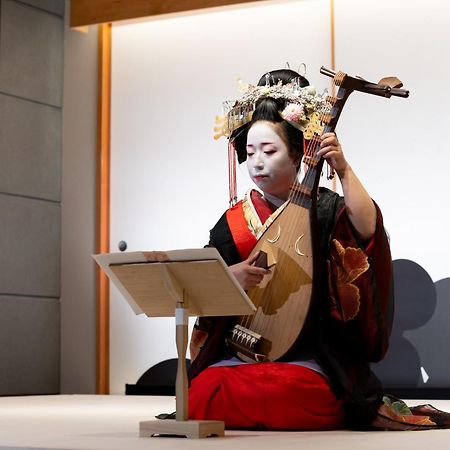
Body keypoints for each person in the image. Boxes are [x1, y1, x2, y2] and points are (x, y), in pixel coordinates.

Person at [187, 68, 395, 430]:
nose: (257, 161)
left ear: (299, 155)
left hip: (308, 353)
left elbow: (366, 232)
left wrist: (342, 169)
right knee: (204, 390)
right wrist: (229, 278)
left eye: (269, 150)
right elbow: (203, 287)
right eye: (250, 151)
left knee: (291, 392)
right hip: (241, 349)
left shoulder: (326, 207)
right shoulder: (234, 221)